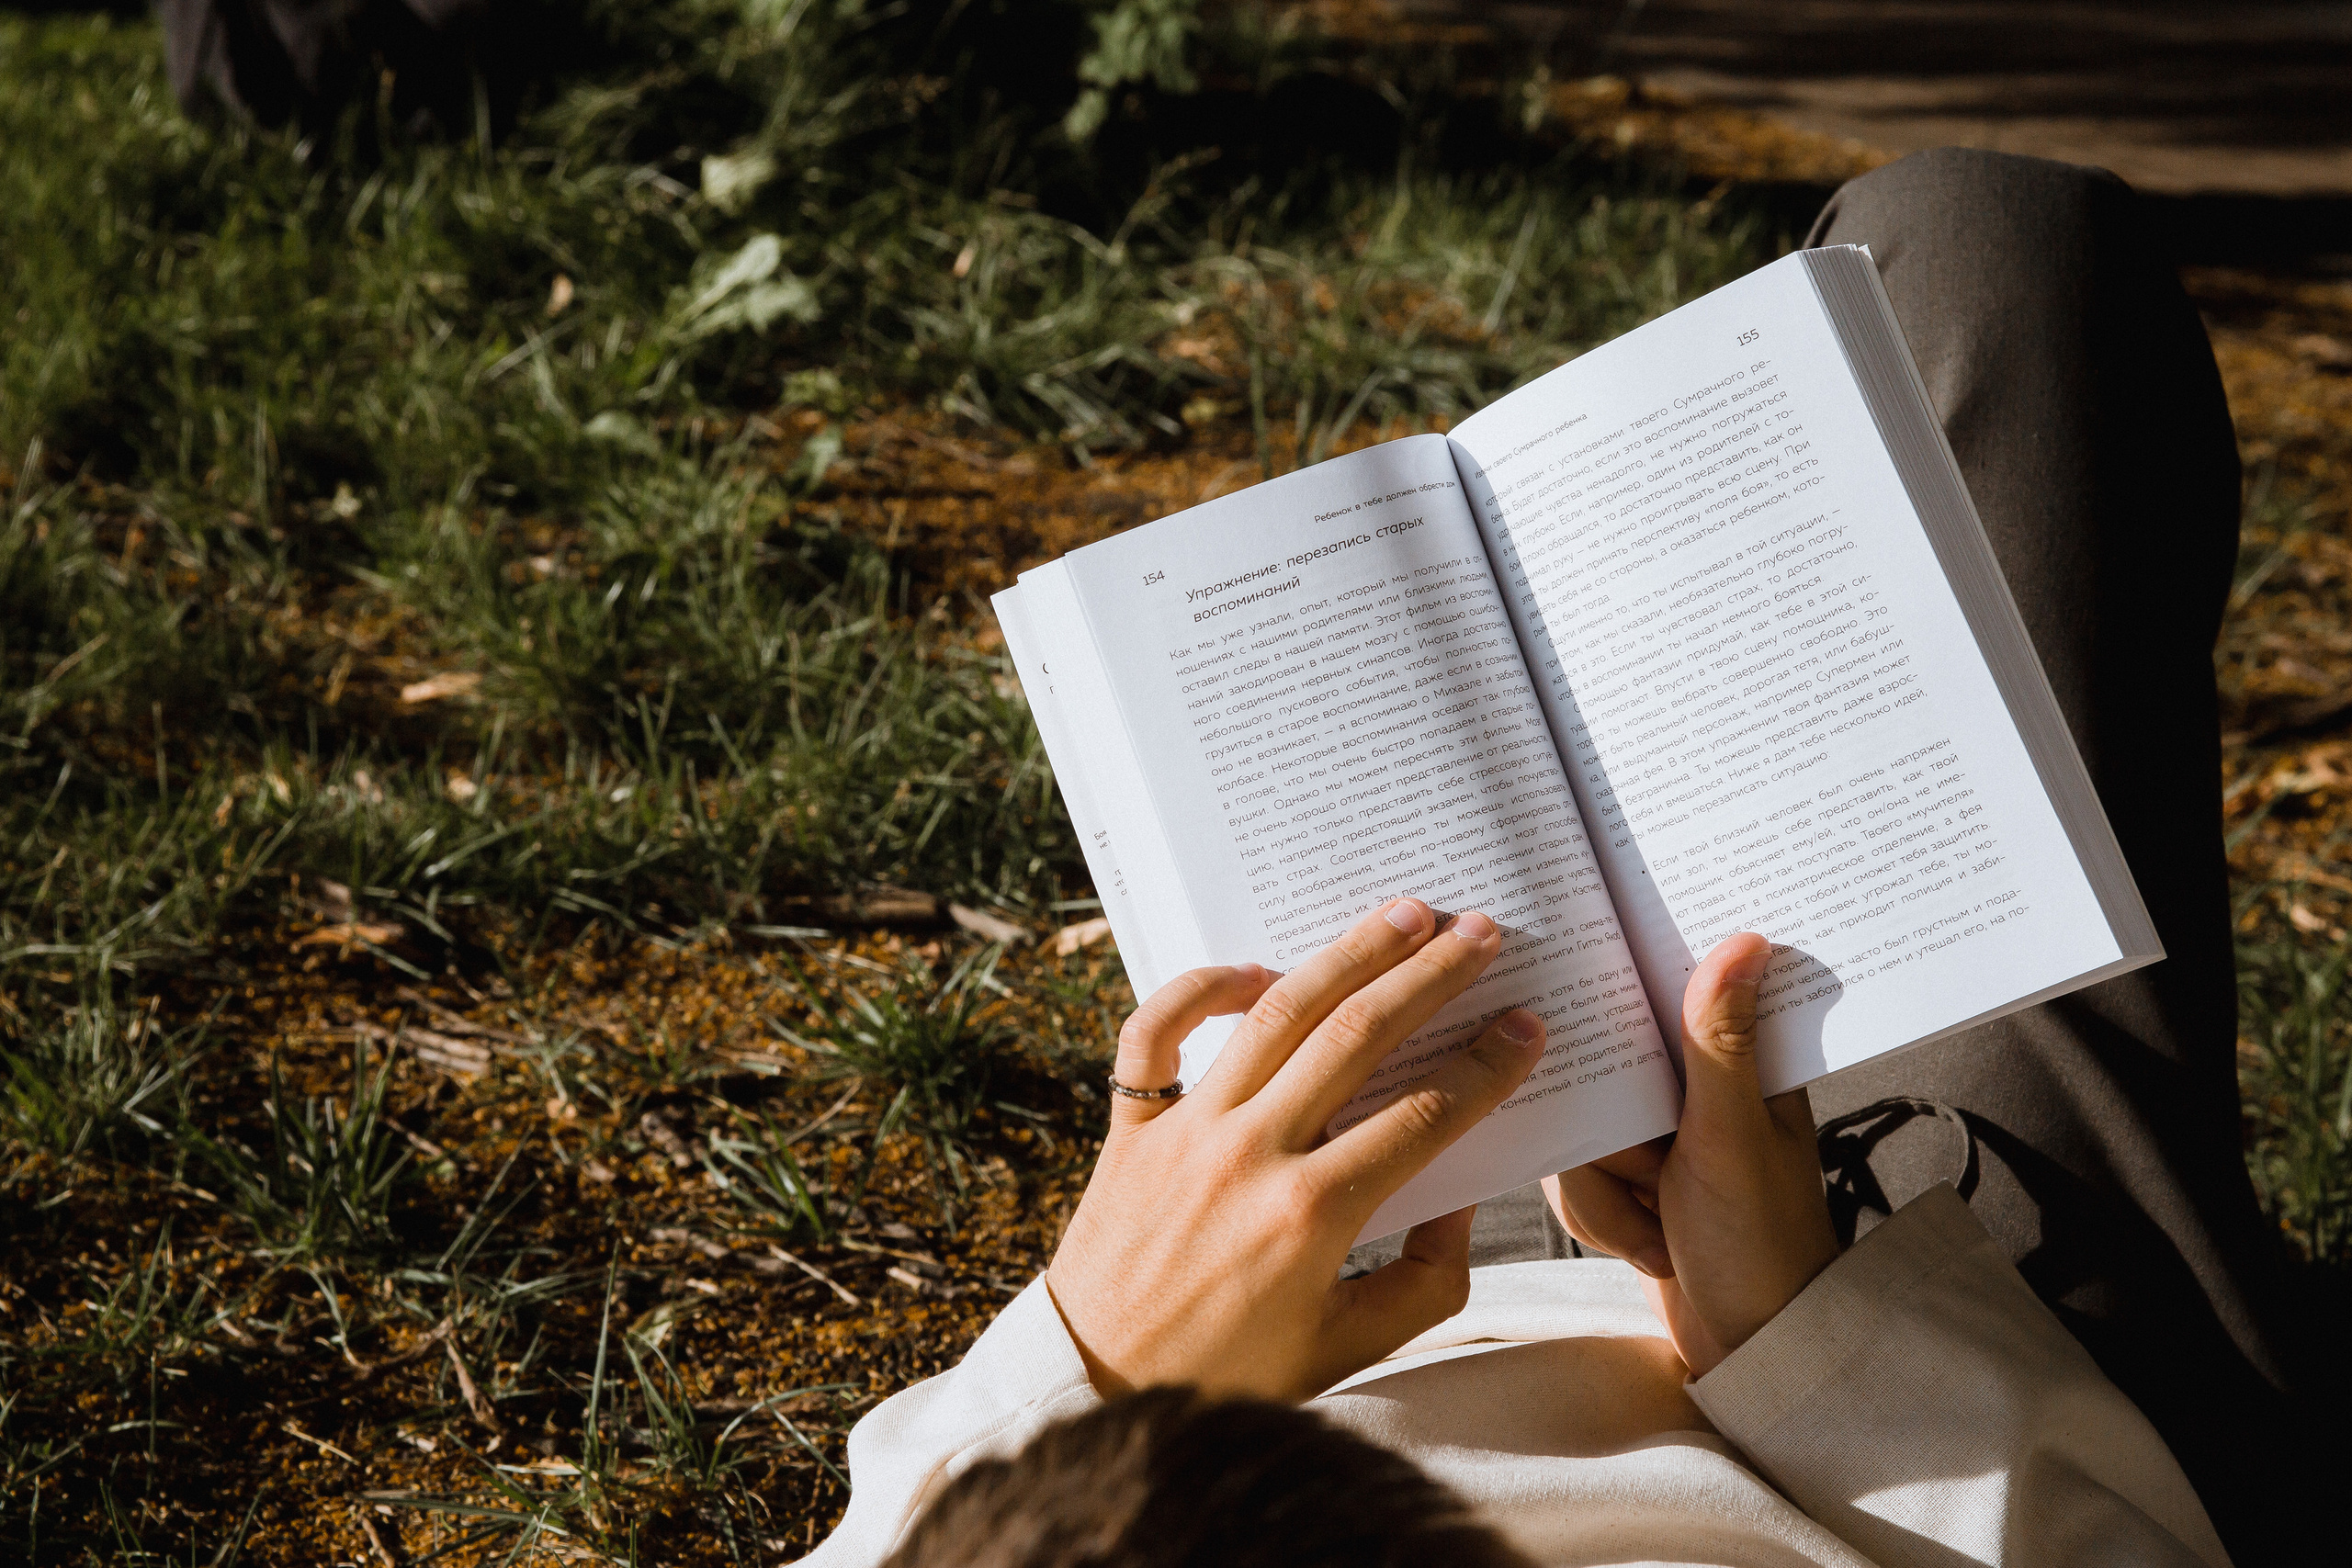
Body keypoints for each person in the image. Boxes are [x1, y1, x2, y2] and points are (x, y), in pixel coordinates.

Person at [799, 148, 2336, 1567]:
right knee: (1996, 258)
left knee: (1966, 250)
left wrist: (1105, 1359)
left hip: (1292, 1331)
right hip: (1930, 1420)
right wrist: (1795, 1325)